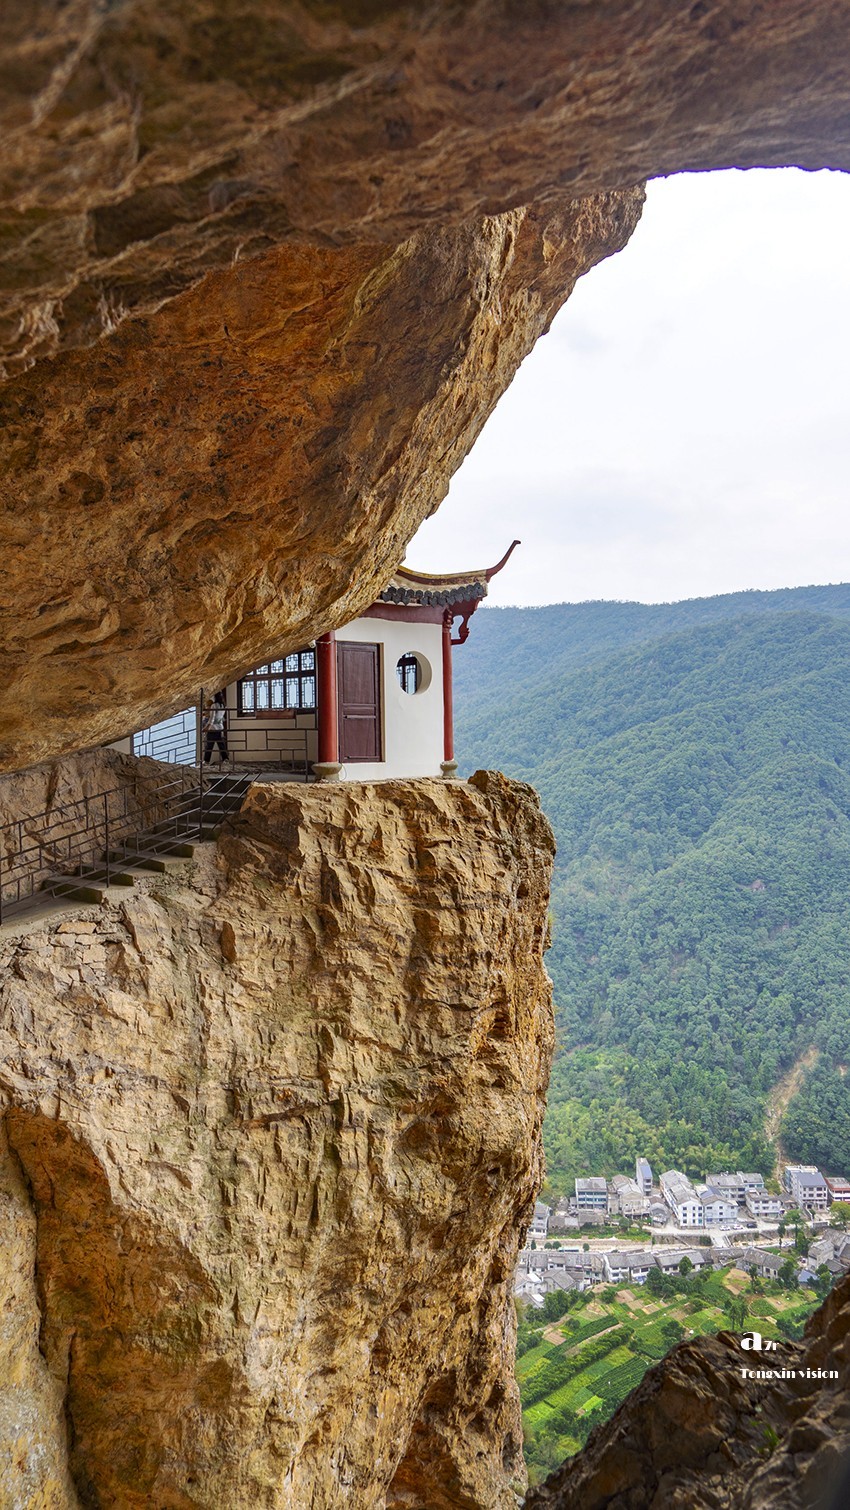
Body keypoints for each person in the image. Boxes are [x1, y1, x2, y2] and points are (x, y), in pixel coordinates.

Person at [202, 693, 229, 765]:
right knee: (221, 745)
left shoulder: (214, 705)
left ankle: (206, 761)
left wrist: (206, 727)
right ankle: (225, 759)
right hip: (220, 727)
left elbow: (212, 718)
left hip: (213, 728)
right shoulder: (223, 705)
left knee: (209, 745)